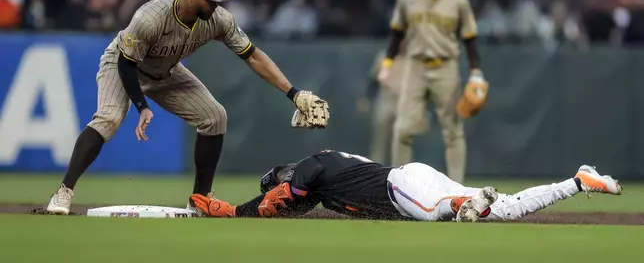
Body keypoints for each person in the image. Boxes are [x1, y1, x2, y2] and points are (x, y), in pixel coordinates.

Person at [46, 0, 330, 215]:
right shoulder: (151, 17)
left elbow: (253, 55)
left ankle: (200, 199)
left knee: (215, 117)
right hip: (123, 64)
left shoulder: (219, 20)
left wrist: (293, 93)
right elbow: (126, 62)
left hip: (166, 70)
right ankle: (64, 191)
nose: (216, 5)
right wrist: (142, 106)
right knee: (108, 118)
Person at [190, 150, 622, 222]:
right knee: (505, 209)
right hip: (413, 181)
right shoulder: (321, 184)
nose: (282, 190)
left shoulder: (310, 165)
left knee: (437, 213)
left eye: (279, 183)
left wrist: (234, 211)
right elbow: (291, 207)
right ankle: (578, 181)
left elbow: (281, 200)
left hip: (403, 187)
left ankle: (464, 204)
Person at [377, 0, 483, 183]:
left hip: (446, 67)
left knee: (453, 131)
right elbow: (396, 34)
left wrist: (476, 70)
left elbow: (470, 37)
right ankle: (399, 188)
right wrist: (387, 65)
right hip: (415, 67)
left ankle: (457, 189)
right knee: (402, 129)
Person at [356, 49, 406, 165]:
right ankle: (376, 170)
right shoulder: (384, 57)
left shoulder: (412, 58)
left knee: (402, 142)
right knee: (379, 141)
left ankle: (402, 172)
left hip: (404, 103)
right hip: (386, 100)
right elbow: (373, 80)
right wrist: (366, 98)